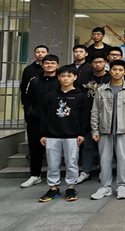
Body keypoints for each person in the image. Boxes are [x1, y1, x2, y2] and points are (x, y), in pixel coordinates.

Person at [90, 60, 125, 200]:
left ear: (124, 72)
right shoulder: (101, 90)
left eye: (120, 70)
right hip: (104, 130)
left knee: (123, 159)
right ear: (110, 71)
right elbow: (95, 111)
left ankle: (121, 186)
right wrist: (95, 130)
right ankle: (105, 187)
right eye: (114, 69)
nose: (117, 72)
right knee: (105, 160)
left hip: (124, 131)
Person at [38, 66, 87, 202]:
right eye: (63, 76)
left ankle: (71, 187)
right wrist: (43, 134)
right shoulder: (50, 96)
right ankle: (53, 188)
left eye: (69, 76)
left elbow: (84, 117)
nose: (66, 78)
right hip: (52, 135)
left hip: (72, 135)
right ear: (58, 77)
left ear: (75, 77)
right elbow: (44, 116)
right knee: (53, 163)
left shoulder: (80, 96)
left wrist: (82, 134)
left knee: (72, 162)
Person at [20, 53, 59, 188]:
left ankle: (55, 176)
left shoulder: (61, 80)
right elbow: (26, 98)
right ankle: (35, 175)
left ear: (57, 65)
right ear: (42, 65)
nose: (49, 65)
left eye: (52, 63)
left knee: (55, 149)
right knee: (35, 148)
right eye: (47, 63)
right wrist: (29, 113)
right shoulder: (34, 80)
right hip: (36, 120)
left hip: (56, 120)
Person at [77, 53, 111, 184]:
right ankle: (86, 171)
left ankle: (104, 171)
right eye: (95, 62)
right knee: (88, 145)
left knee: (105, 146)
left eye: (100, 62)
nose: (98, 64)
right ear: (91, 64)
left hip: (106, 115)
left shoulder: (110, 77)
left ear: (105, 63)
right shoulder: (85, 78)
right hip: (87, 115)